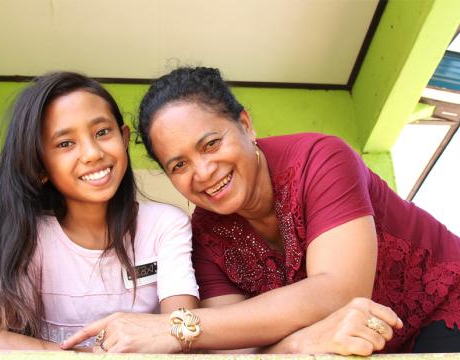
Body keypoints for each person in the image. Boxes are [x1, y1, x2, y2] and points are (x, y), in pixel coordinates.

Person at [61, 67, 411, 355]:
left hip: (440, 321)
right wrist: (301, 343)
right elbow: (236, 352)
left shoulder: (321, 158)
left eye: (211, 144)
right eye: (179, 165)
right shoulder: (202, 233)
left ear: (245, 124)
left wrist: (169, 326)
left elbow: (341, 289)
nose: (203, 172)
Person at [0, 72, 199, 351]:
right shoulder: (30, 237)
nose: (93, 153)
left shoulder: (166, 225)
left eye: (102, 132)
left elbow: (181, 329)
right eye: (65, 143)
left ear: (123, 138)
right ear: (39, 167)